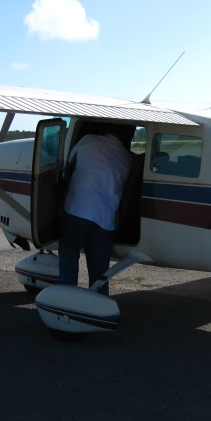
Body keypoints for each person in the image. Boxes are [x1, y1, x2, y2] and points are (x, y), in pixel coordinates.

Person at [58, 125, 132, 296]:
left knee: (68, 250)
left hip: (78, 211)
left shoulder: (87, 141)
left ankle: (66, 295)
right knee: (99, 270)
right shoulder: (127, 158)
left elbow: (67, 164)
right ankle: (99, 302)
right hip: (106, 220)